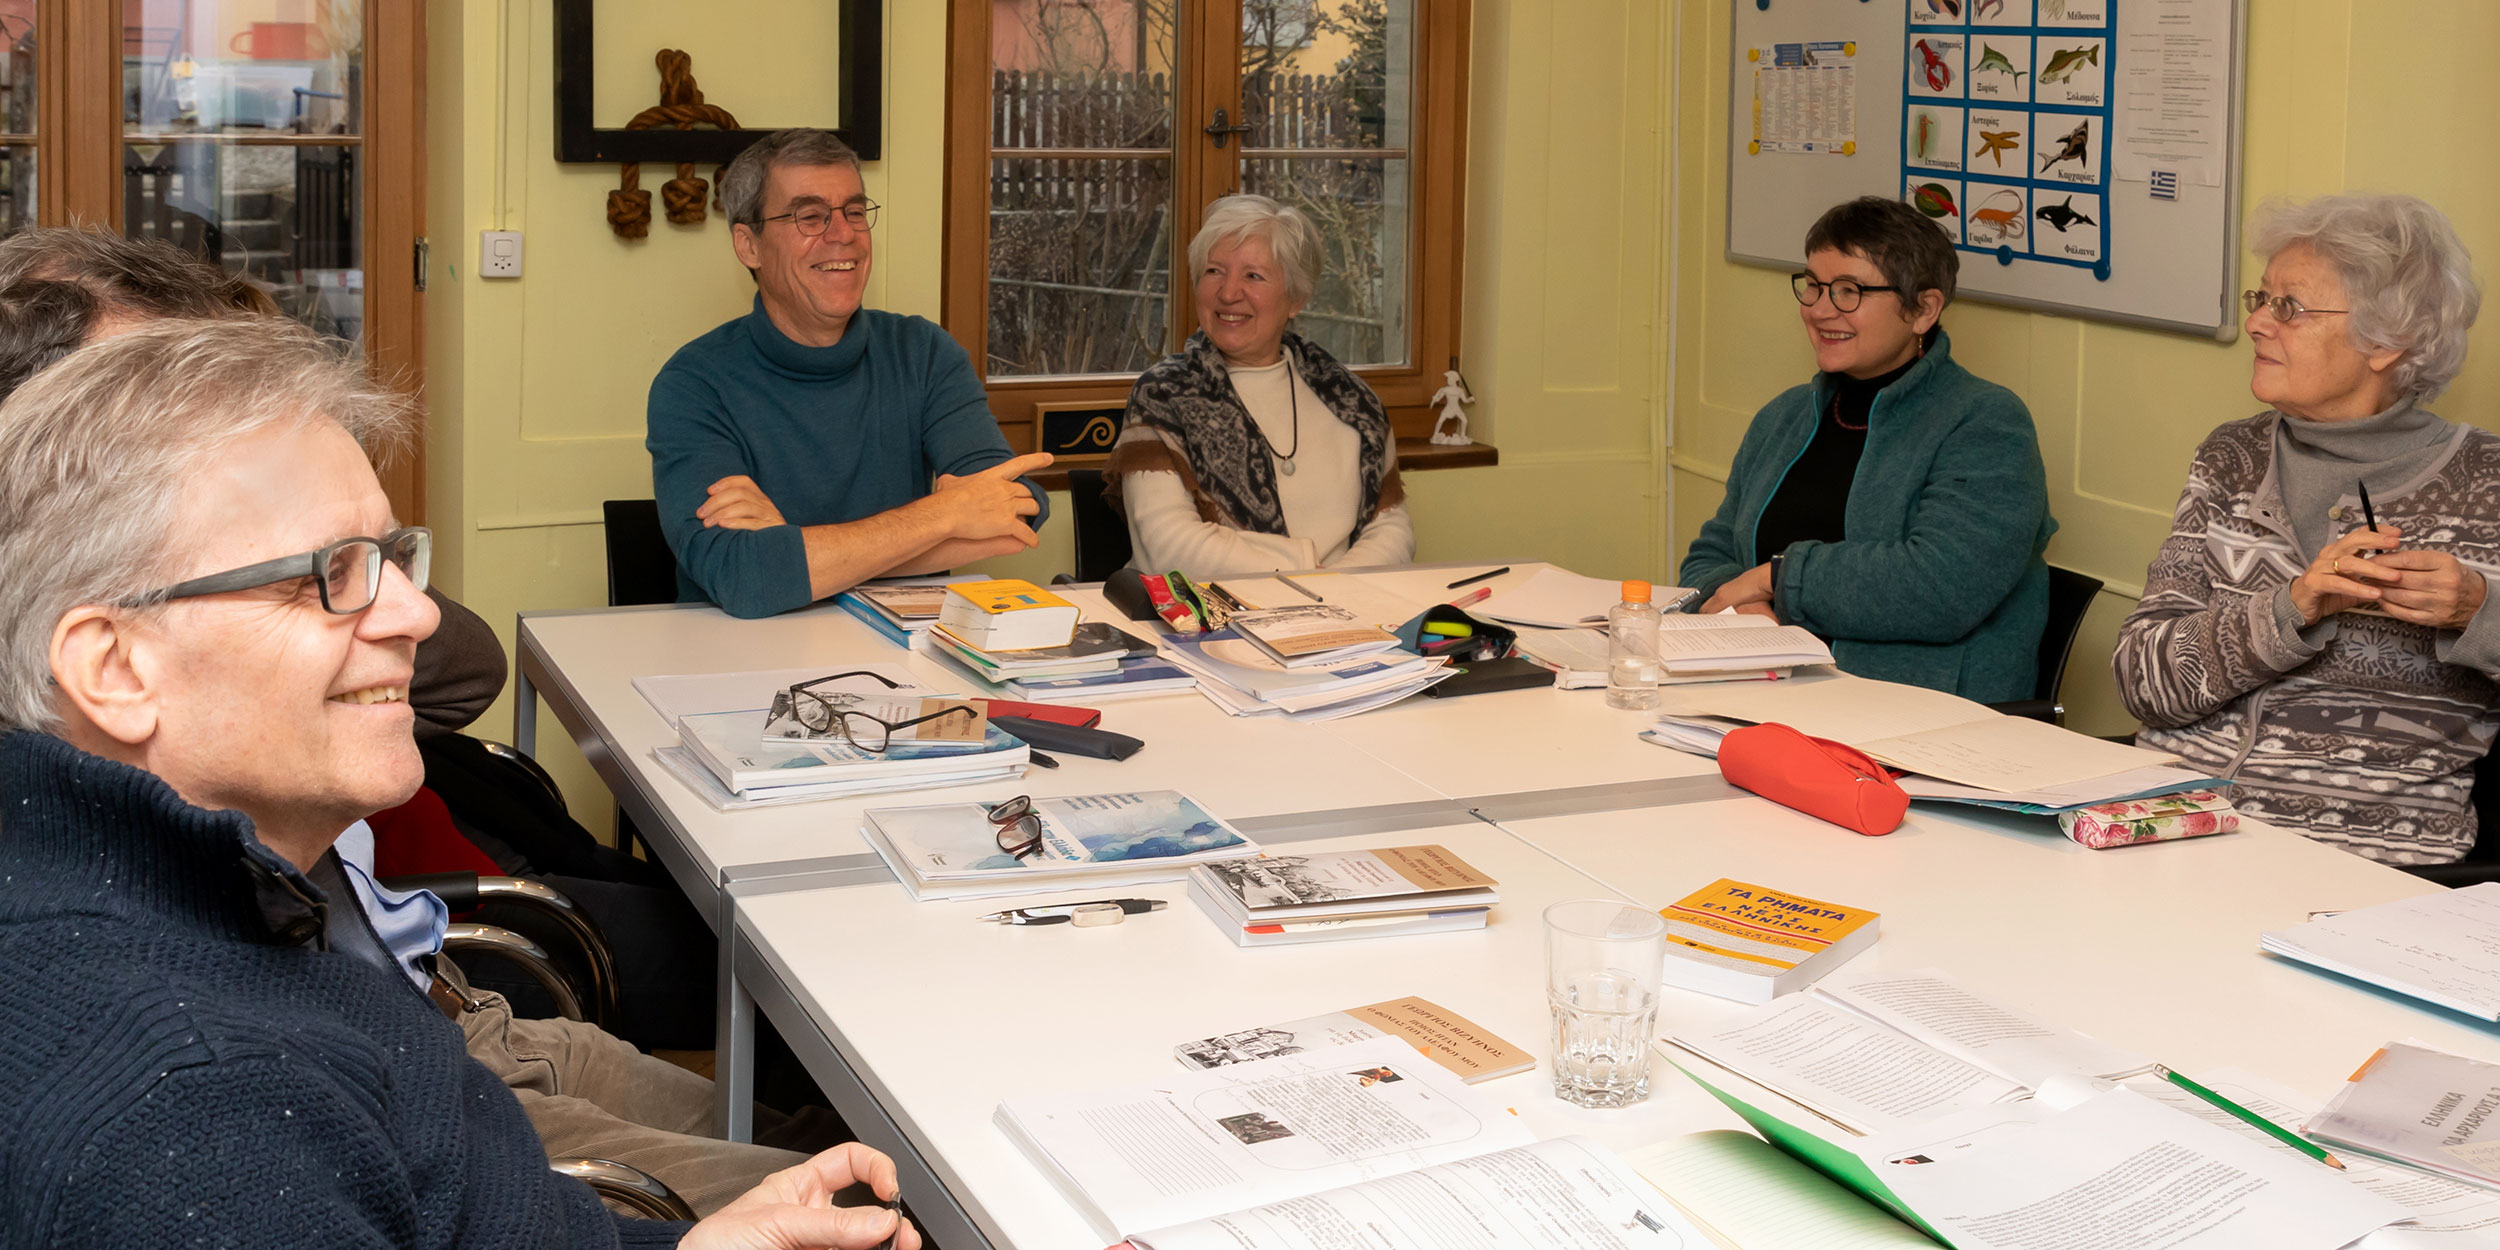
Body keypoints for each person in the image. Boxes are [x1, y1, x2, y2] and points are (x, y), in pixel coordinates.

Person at [0, 318, 917, 1249]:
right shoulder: (193, 1106)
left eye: (392, 558)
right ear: (113, 668)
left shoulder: (240, 908)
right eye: (331, 575)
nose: (418, 612)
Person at [2114, 194, 2494, 866]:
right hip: (2162, 824)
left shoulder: (2487, 481)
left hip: (2358, 856)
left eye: (2289, 306)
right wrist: (2291, 610)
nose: (2257, 323)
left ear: (2388, 341)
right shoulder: (2232, 457)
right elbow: (2144, 683)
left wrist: (2477, 611)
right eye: (2262, 298)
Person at [648, 127, 1052, 619]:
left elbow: (1018, 510)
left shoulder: (924, 352)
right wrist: (942, 516)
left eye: (855, 212)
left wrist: (795, 549)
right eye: (810, 216)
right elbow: (745, 577)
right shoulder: (692, 383)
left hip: (909, 658)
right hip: (743, 662)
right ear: (748, 245)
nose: (843, 234)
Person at [1678, 196, 2054, 701]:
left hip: (1918, 720)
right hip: (1763, 692)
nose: (1818, 309)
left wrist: (1777, 578)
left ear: (1923, 309)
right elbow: (1710, 556)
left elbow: (1941, 589)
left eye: (1850, 291)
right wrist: (1744, 611)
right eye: (1812, 286)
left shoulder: (1985, 422)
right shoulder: (1784, 416)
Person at [1104, 193, 1414, 580]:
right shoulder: (1163, 396)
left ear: (1296, 299)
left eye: (1253, 276)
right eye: (1214, 271)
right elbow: (1167, 547)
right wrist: (1304, 575)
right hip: (1210, 621)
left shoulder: (1351, 399)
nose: (1229, 292)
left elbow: (1391, 528)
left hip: (1348, 615)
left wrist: (1337, 590)